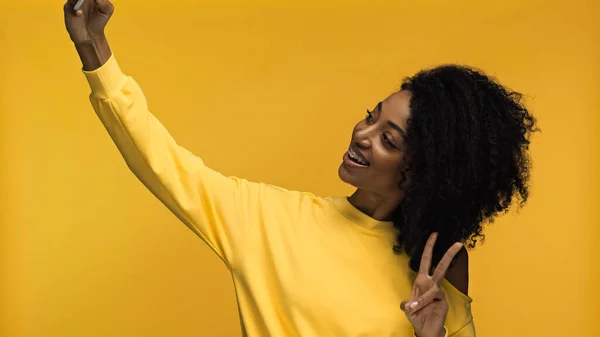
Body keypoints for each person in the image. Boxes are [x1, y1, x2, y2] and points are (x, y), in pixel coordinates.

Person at [63, 1, 538, 336]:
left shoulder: (439, 267)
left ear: (425, 173)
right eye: (371, 116)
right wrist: (94, 49)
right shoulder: (268, 220)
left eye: (388, 139)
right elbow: (161, 161)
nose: (362, 134)